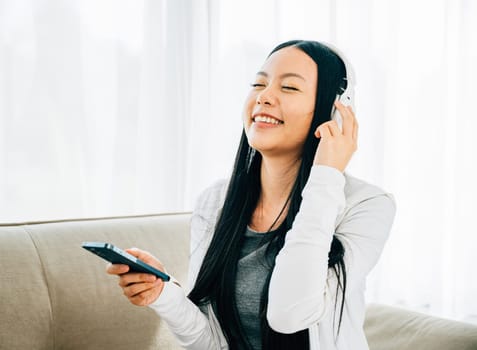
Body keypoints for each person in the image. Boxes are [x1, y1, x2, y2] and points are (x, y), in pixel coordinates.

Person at [107, 40, 396, 350]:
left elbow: (290, 314)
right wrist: (164, 293)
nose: (264, 96)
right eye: (258, 83)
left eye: (289, 88)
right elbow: (212, 343)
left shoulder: (366, 206)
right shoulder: (215, 201)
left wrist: (326, 174)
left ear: (334, 111)